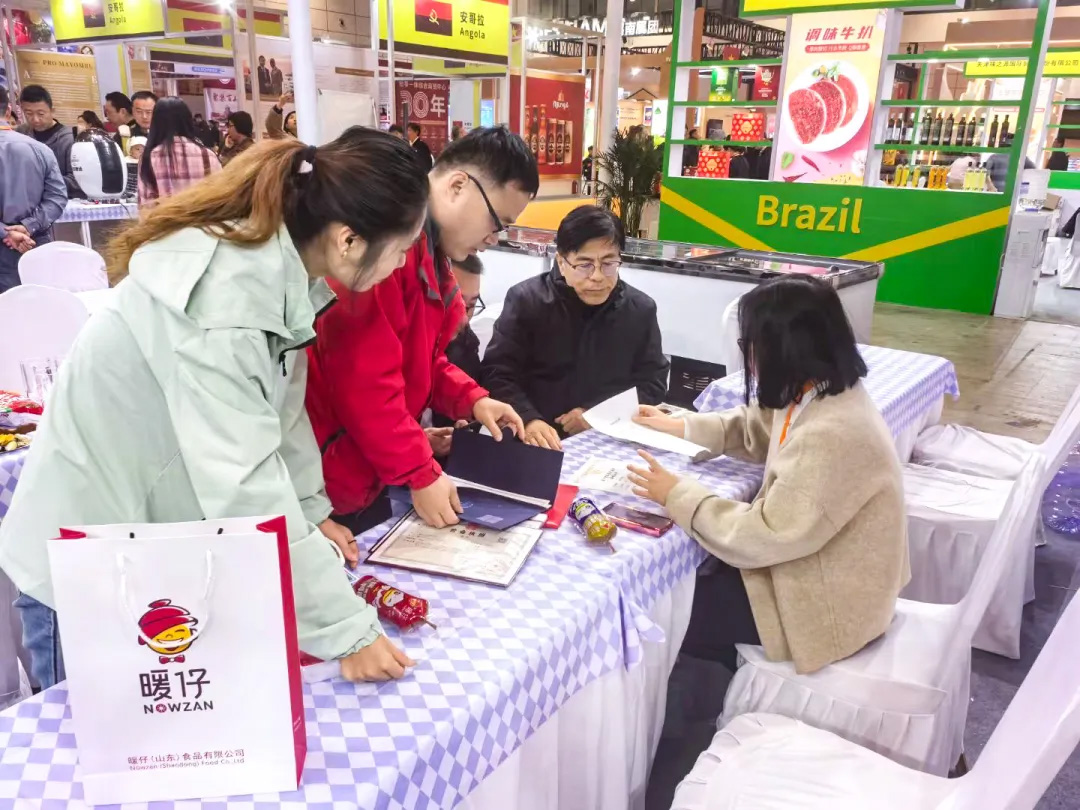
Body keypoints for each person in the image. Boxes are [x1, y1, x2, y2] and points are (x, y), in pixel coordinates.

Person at [0, 128, 431, 690]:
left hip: (141, 555)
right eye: (401, 249)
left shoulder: (272, 272)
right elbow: (245, 487)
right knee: (105, 739)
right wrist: (347, 630)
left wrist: (311, 511)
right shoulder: (227, 302)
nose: (400, 264)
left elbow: (282, 420)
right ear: (349, 239)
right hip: (89, 570)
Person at [627, 275, 907, 674]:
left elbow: (763, 535)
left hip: (824, 605)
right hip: (815, 568)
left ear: (783, 347)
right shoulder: (820, 391)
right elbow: (757, 426)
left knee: (661, 606)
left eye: (749, 344)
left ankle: (695, 699)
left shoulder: (831, 433)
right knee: (685, 579)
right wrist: (682, 426)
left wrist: (676, 494)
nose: (747, 357)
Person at [305, 126, 537, 533]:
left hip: (361, 473)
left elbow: (419, 362)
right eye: (496, 221)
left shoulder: (431, 260)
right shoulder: (383, 253)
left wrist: (473, 399)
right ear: (458, 185)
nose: (493, 238)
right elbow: (366, 386)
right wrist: (420, 472)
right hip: (325, 481)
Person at [481, 205, 669, 450]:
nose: (597, 276)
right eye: (585, 265)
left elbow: (653, 383)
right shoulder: (528, 301)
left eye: (608, 263)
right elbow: (497, 373)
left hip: (610, 438)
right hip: (534, 439)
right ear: (561, 261)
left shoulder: (639, 309)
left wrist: (596, 415)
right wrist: (529, 419)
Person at [0, 85, 67, 292]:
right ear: (9, 110)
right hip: (34, 242)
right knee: (40, 304)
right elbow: (57, 197)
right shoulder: (40, 149)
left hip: (16, 243)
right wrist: (28, 226)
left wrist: (5, 232)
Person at [137, 97, 222, 207]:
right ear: (188, 120)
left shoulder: (149, 158)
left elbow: (146, 206)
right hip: (202, 217)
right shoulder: (208, 155)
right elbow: (219, 197)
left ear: (156, 123)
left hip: (164, 217)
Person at [17, 85, 78, 197]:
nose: (35, 119)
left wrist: (39, 182)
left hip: (61, 199)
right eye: (29, 113)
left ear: (52, 111)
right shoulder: (20, 134)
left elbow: (76, 180)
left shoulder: (69, 139)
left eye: (41, 114)